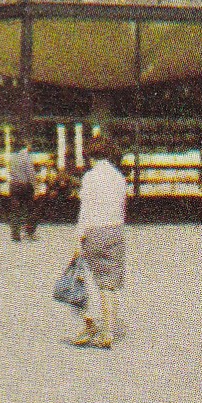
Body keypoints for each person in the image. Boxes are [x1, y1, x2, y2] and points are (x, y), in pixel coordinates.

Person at [70, 133, 127, 348]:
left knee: (88, 281)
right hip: (116, 231)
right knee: (109, 286)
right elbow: (121, 207)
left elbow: (85, 211)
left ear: (91, 155)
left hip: (95, 232)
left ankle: (90, 325)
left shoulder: (90, 177)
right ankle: (108, 333)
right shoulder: (119, 177)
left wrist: (78, 239)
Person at [8, 140, 39, 242]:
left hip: (13, 185)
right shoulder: (26, 157)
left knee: (15, 210)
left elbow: (10, 171)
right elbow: (31, 174)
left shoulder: (12, 157)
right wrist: (36, 188)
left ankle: (15, 234)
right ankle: (29, 232)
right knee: (30, 209)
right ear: (26, 147)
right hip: (25, 186)